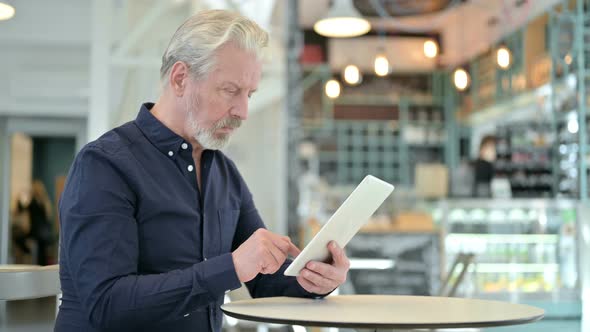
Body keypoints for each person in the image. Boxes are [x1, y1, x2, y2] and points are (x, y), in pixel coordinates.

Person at [55, 10, 350, 332]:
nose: (243, 111)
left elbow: (268, 283)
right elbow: (107, 304)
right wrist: (232, 266)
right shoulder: (105, 165)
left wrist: (316, 280)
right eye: (230, 90)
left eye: (248, 94)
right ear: (181, 78)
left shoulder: (222, 171)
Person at [14, 179, 54, 265]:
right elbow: (48, 218)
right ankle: (42, 271)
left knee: (18, 237)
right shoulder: (45, 202)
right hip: (45, 234)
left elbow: (21, 209)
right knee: (42, 254)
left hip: (35, 232)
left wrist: (18, 197)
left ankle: (28, 251)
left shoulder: (33, 202)